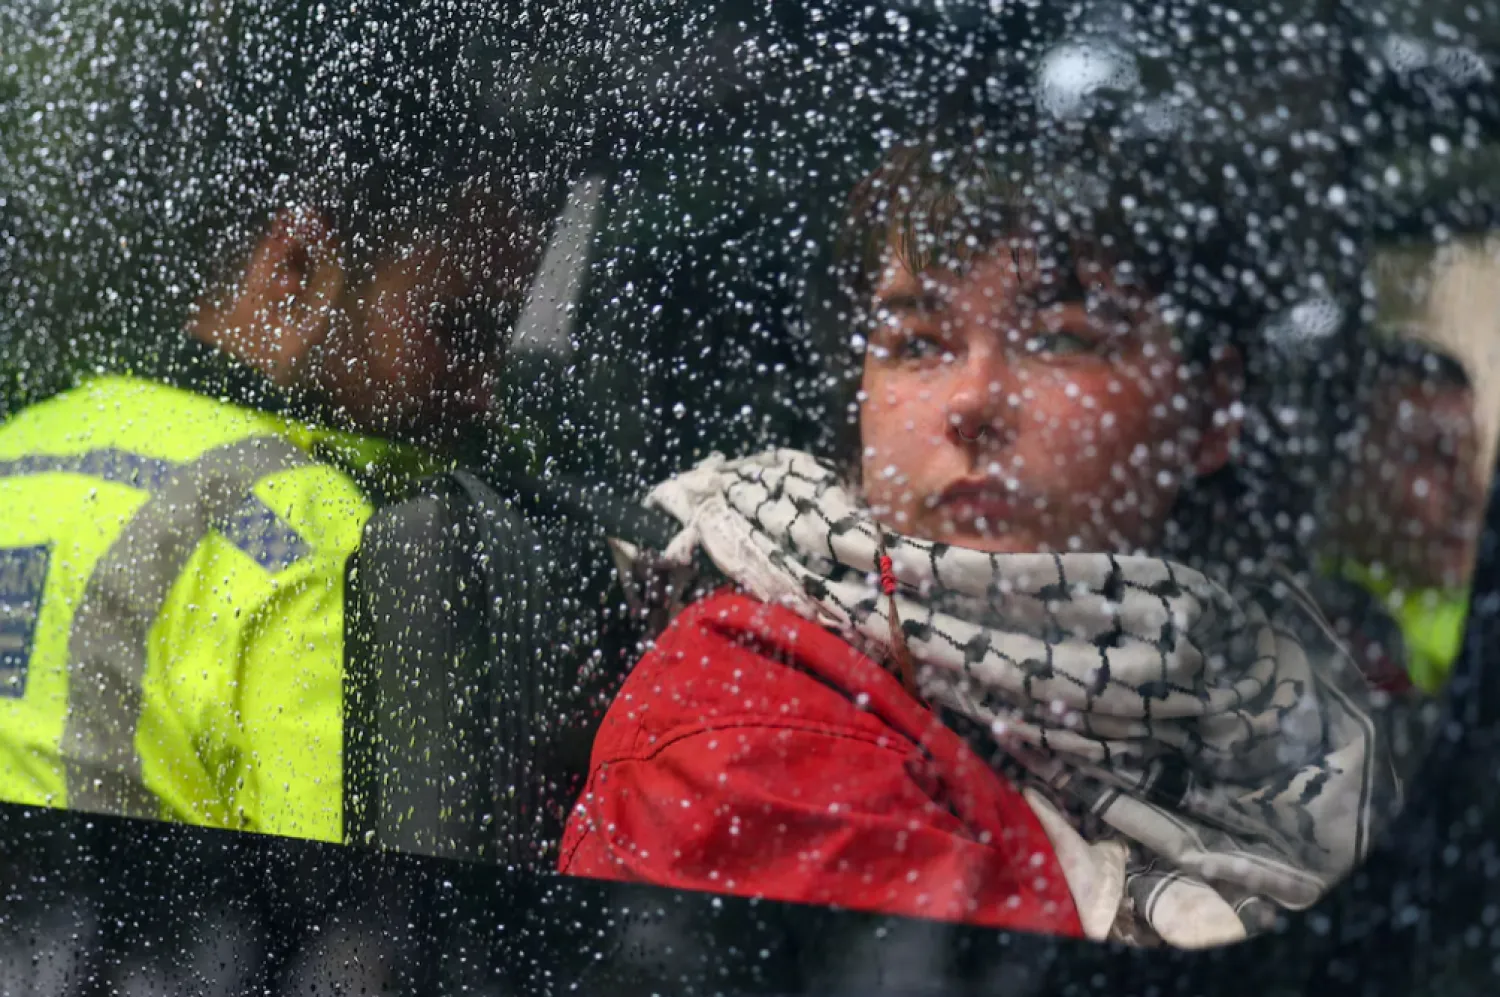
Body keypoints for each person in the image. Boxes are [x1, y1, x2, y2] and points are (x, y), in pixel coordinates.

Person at [559, 140, 1400, 948]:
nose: (972, 400)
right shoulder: (748, 716)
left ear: (1213, 410)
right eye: (917, 344)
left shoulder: (1269, 683)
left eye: (1060, 338)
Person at [0, 1, 555, 842]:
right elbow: (353, 934)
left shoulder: (24, 448)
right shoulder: (310, 534)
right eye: (458, 328)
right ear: (296, 273)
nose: (481, 391)